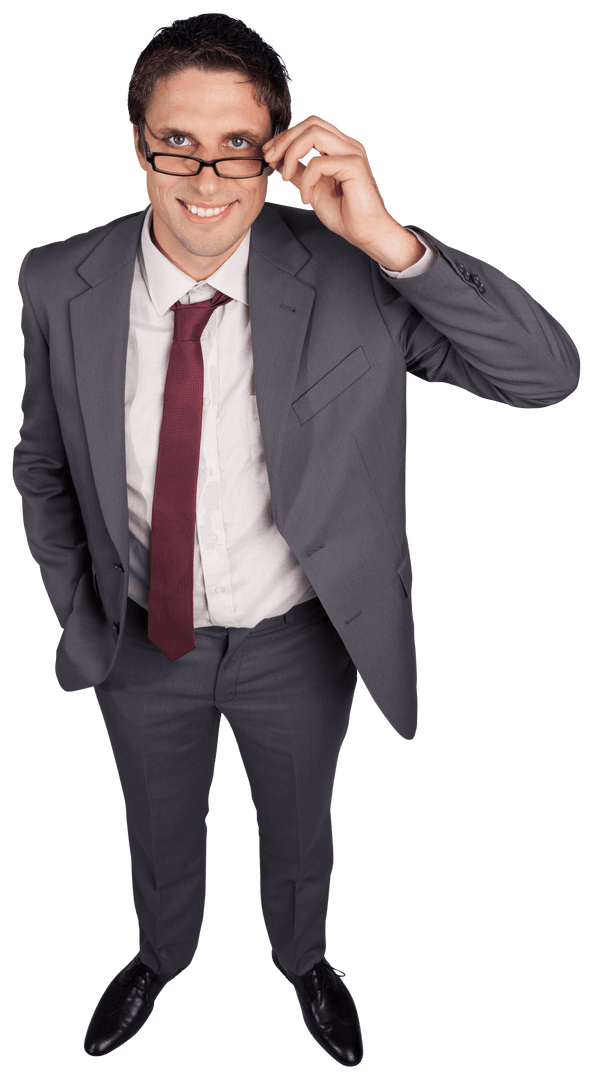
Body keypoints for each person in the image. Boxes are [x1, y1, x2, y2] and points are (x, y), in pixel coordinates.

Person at [11, 11, 580, 1069]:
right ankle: (160, 956)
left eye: (238, 144)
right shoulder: (55, 278)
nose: (206, 176)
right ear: (136, 139)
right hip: (137, 640)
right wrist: (78, 608)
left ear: (276, 148)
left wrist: (388, 238)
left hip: (298, 642)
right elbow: (40, 458)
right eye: (177, 140)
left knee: (299, 829)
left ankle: (302, 961)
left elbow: (542, 376)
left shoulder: (351, 274)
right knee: (157, 828)